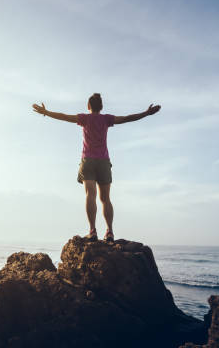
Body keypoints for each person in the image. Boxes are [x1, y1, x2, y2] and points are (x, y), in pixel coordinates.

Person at [32, 93, 161, 242]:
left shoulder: (84, 118)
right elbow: (127, 118)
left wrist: (47, 113)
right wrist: (146, 113)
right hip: (103, 162)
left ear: (88, 106)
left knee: (90, 195)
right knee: (105, 199)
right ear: (101, 107)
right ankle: (110, 232)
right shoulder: (106, 119)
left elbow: (64, 116)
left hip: (88, 161)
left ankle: (92, 231)